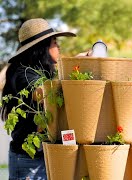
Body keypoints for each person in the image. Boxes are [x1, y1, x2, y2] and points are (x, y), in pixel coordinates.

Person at [0, 18, 76, 180]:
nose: (59, 47)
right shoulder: (25, 74)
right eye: (54, 43)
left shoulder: (42, 72)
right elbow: (43, 94)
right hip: (28, 161)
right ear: (42, 48)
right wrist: (75, 68)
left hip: (40, 158)